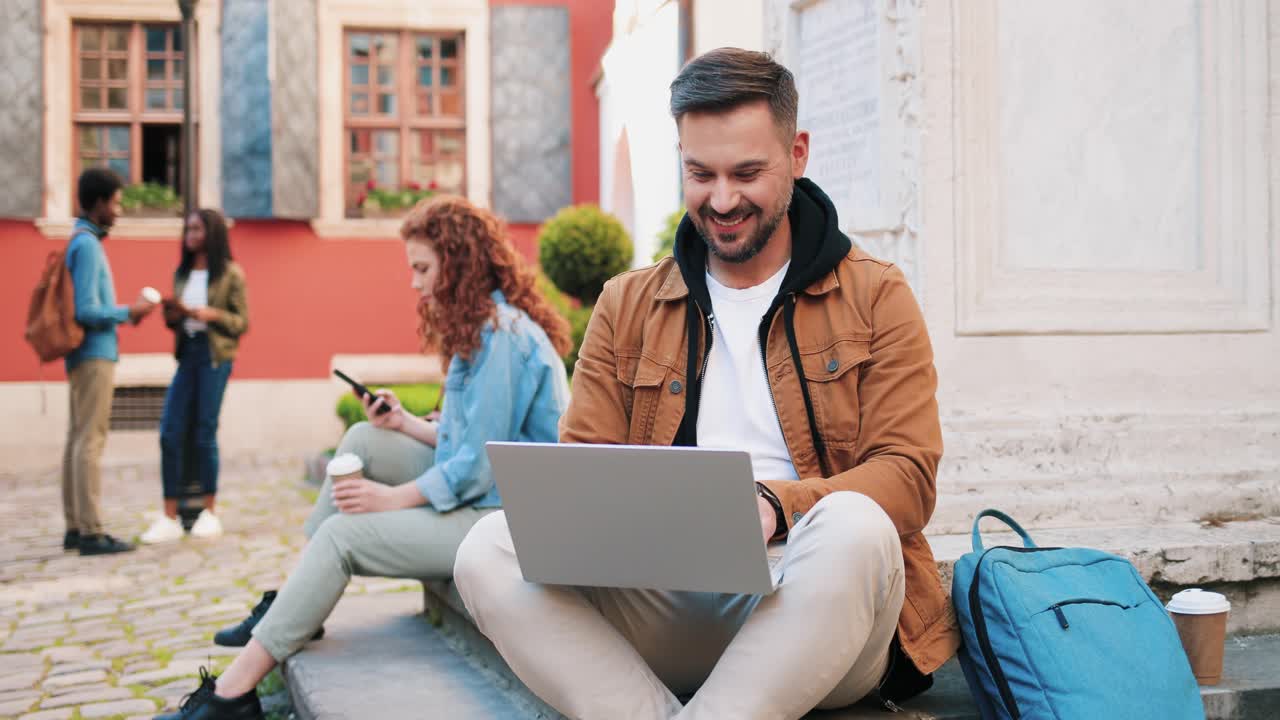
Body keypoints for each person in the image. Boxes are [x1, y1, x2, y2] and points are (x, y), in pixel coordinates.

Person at [453, 48, 960, 719]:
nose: (722, 201)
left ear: (798, 153)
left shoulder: (876, 294)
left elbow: (908, 479)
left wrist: (777, 505)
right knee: (485, 549)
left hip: (816, 604)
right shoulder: (625, 304)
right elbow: (582, 475)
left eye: (747, 173)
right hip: (659, 598)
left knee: (858, 526)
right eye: (701, 174)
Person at [156, 196, 572, 720]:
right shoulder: (483, 329)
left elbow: (476, 467)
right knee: (362, 439)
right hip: (489, 491)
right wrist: (402, 424)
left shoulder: (503, 338)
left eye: (422, 268)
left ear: (458, 263)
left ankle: (232, 696)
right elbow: (467, 440)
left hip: (508, 518)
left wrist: (390, 499)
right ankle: (290, 599)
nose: (414, 282)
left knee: (341, 536)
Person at [63, 168, 158, 556]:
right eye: (116, 203)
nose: (119, 211)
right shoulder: (87, 245)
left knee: (77, 438)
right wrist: (129, 312)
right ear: (100, 203)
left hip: (84, 355)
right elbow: (87, 310)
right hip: (95, 353)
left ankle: (75, 525)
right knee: (90, 440)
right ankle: (91, 531)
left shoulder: (80, 240)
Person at [141, 209, 248, 544]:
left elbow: (241, 322)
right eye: (187, 228)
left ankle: (209, 512)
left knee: (204, 431)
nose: (190, 234)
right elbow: (177, 323)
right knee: (170, 431)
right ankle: (170, 516)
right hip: (187, 353)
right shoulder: (182, 274)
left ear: (211, 233)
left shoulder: (231, 274)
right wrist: (174, 315)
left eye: (196, 228)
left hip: (215, 355)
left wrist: (211, 314)